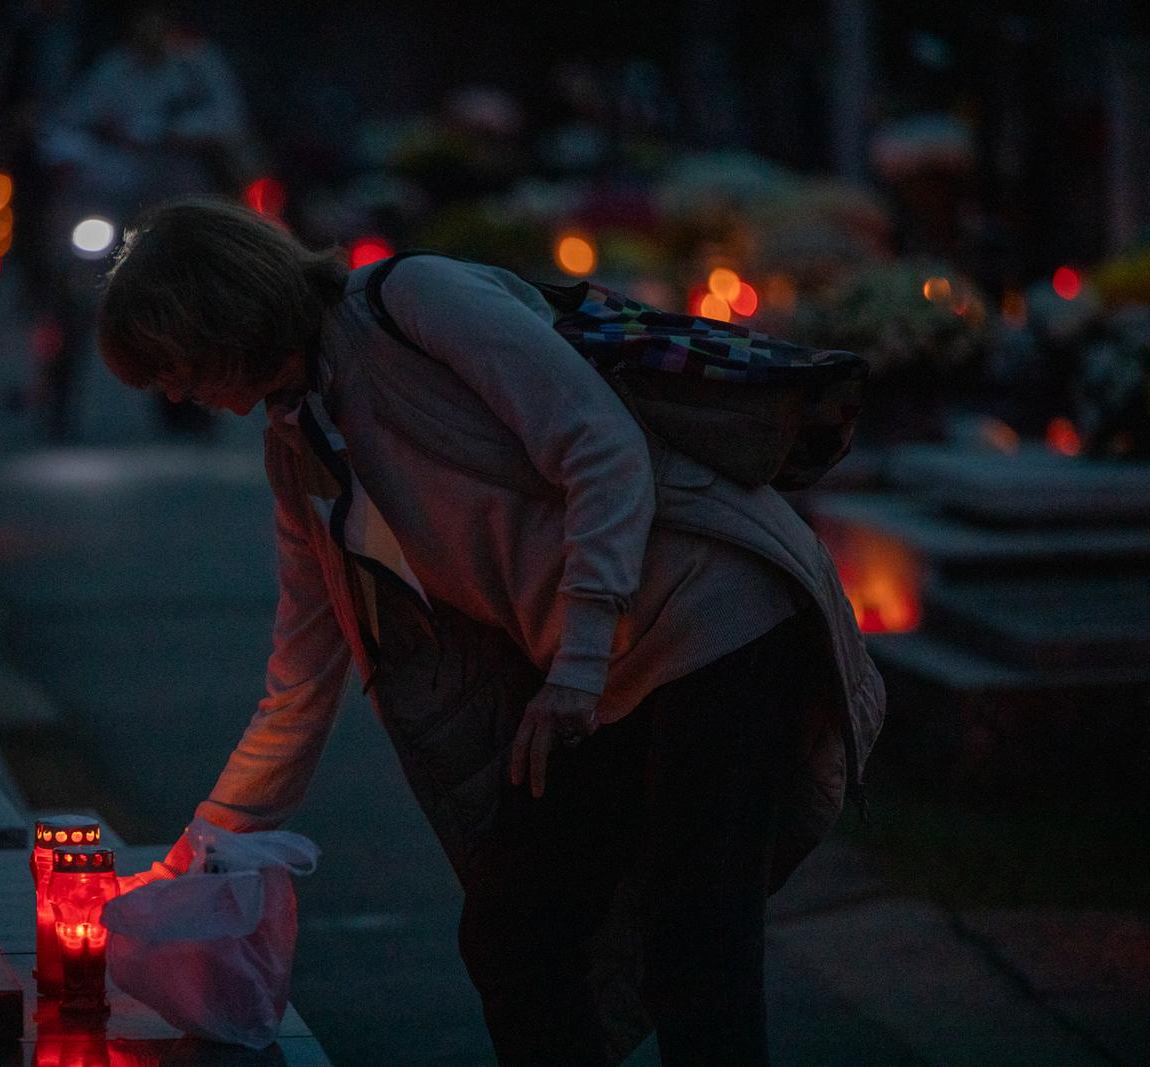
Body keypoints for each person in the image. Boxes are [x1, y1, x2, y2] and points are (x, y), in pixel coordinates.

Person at [99, 198, 885, 1065]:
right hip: (599, 672)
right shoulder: (297, 449)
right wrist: (196, 849)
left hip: (717, 616)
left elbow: (602, 446)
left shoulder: (415, 301)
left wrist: (577, 665)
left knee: (698, 941)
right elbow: (300, 678)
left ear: (221, 314)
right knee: (516, 929)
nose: (174, 392)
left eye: (172, 365)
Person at [38, 5, 250, 439]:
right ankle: (59, 401)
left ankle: (192, 407)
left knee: (190, 305)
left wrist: (173, 130)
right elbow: (73, 121)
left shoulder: (196, 66)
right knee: (75, 299)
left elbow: (228, 121)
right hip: (115, 206)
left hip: (180, 209)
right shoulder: (113, 71)